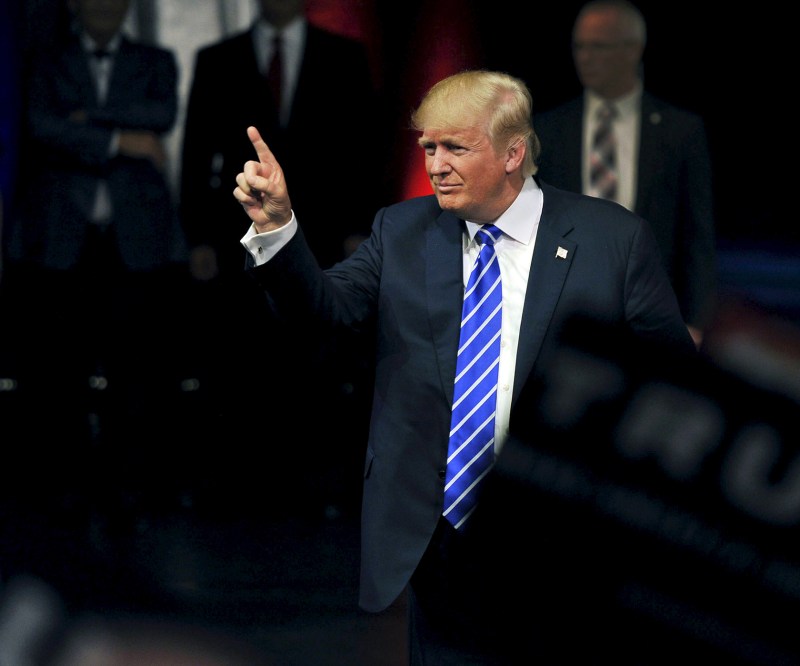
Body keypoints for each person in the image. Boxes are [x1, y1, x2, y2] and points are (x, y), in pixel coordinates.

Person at [232, 69, 695, 663]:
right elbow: (326, 310)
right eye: (429, 147)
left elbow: (675, 387)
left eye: (456, 147)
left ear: (513, 153)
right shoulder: (400, 230)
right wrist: (276, 229)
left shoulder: (613, 240)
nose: (436, 165)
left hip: (560, 538)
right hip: (438, 535)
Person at [179, 0, 382, 519]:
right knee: (242, 356)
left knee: (316, 356)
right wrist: (197, 237)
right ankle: (244, 482)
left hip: (326, 232)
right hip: (237, 234)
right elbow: (197, 152)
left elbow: (364, 147)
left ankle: (316, 481)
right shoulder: (217, 58)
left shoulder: (344, 55)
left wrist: (361, 230)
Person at [2, 0, 186, 525]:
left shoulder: (155, 59)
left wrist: (84, 121)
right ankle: (65, 485)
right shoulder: (45, 59)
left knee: (134, 369)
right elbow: (40, 124)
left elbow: (161, 115)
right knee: (59, 370)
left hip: (136, 238)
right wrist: (121, 139)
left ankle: (128, 485)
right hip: (61, 236)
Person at [533, 0, 717, 346]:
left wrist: (694, 321)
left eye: (598, 47)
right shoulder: (548, 130)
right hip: (565, 314)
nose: (585, 57)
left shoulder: (680, 132)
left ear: (633, 49)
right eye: (579, 47)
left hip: (653, 314)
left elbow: (697, 236)